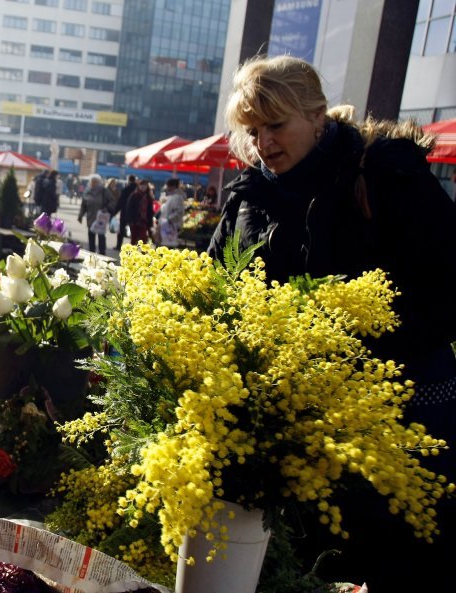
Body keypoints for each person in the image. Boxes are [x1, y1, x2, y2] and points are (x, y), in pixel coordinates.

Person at [207, 54, 456, 591]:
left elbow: (445, 290)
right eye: (251, 130)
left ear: (317, 116)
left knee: (395, 563)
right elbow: (214, 291)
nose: (263, 143)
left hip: (398, 430)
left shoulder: (386, 173)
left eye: (276, 125)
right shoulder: (250, 197)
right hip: (290, 435)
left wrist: (340, 327)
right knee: (300, 569)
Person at [77, 173, 114, 254]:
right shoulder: (87, 191)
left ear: (98, 182)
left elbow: (112, 201)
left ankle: (102, 251)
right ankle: (91, 251)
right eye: (92, 182)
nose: (93, 183)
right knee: (91, 234)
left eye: (95, 182)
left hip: (101, 217)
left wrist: (106, 208)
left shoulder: (104, 191)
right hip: (90, 217)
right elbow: (83, 205)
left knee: (101, 235)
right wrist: (80, 215)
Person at [123, 178, 154, 245]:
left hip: (144, 221)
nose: (143, 187)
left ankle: (143, 254)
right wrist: (129, 220)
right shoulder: (134, 195)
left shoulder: (148, 197)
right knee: (134, 239)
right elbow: (129, 208)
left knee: (144, 239)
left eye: (145, 186)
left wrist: (150, 222)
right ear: (139, 186)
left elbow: (150, 211)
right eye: (141, 185)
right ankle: (131, 254)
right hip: (134, 220)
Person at [157, 177, 186, 247]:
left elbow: (179, 212)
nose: (167, 188)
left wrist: (168, 219)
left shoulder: (177, 197)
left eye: (168, 186)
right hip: (167, 226)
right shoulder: (172, 196)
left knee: (168, 247)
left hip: (171, 227)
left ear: (172, 186)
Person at [113, 174, 138, 250]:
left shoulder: (126, 189)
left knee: (121, 230)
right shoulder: (137, 189)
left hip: (124, 212)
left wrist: (115, 211)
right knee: (133, 232)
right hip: (135, 213)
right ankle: (133, 248)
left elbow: (121, 201)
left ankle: (118, 246)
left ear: (129, 180)